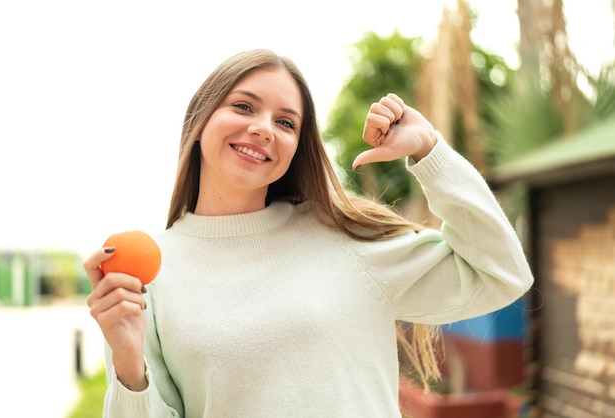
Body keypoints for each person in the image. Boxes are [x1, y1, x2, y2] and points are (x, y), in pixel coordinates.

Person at [84, 48, 534, 418]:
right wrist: (127, 364)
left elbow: (501, 274)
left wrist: (429, 151)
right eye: (243, 106)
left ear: (297, 147)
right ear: (200, 120)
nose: (262, 129)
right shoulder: (150, 274)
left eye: (285, 122)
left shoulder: (344, 239)